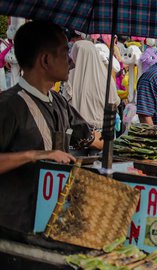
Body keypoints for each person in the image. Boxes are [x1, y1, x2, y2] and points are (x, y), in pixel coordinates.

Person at [0, 21, 103, 238]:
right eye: (65, 52)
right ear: (45, 60)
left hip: (53, 224)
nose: (72, 61)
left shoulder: (59, 102)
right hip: (14, 228)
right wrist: (35, 155)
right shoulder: (9, 106)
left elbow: (89, 137)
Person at [63, 40, 120, 128]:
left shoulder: (70, 76)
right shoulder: (106, 77)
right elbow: (114, 101)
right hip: (102, 130)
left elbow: (65, 103)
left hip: (78, 129)